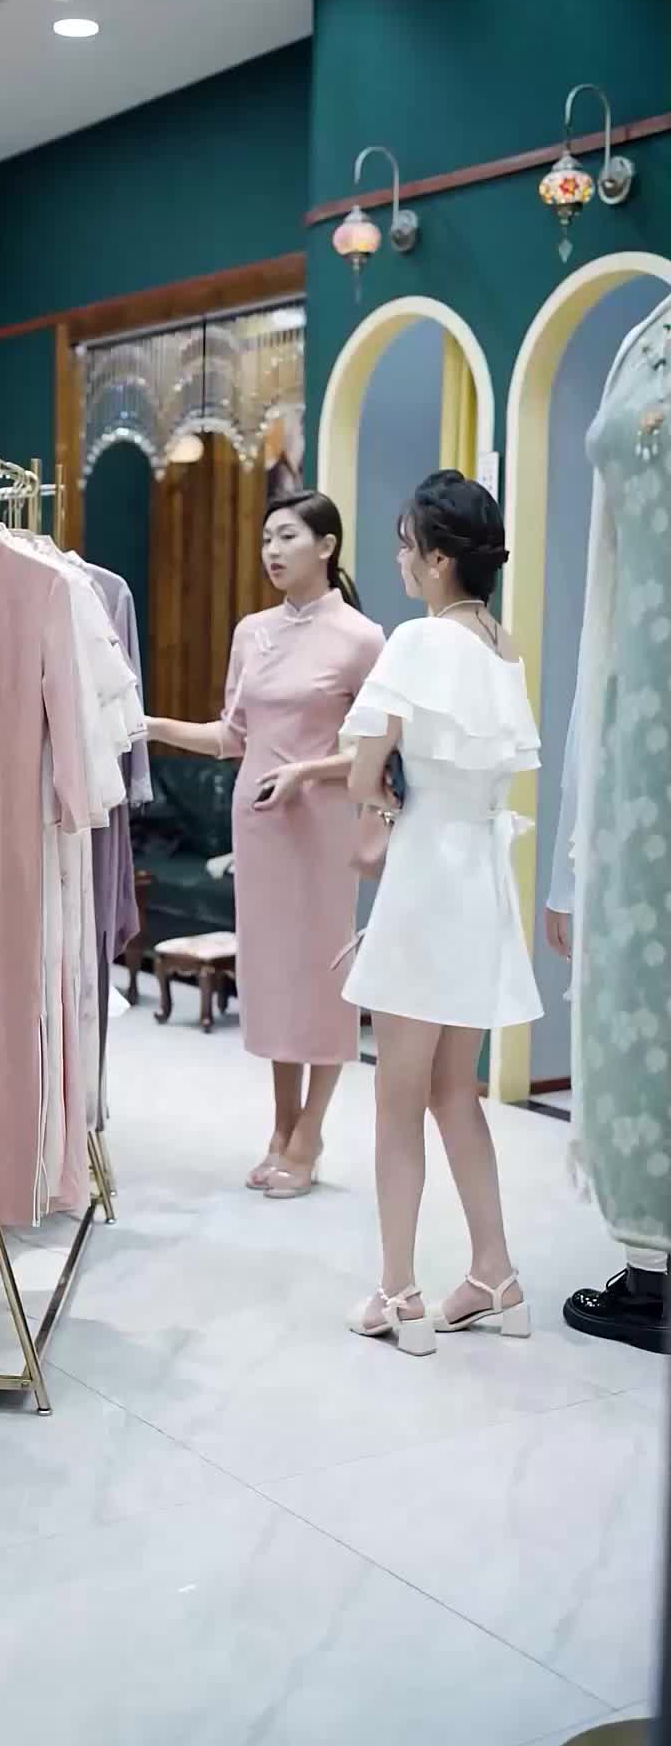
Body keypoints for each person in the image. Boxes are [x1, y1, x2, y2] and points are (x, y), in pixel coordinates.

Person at [340, 471, 543, 1355]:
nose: (399, 560)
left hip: (426, 878)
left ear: (436, 560)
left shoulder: (418, 642)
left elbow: (364, 773)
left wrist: (379, 804)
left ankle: (398, 1293)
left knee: (398, 1096)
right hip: (481, 884)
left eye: (406, 546)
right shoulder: (504, 650)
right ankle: (496, 1273)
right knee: (455, 1091)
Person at [147, 492, 384, 1195]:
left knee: (323, 975)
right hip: (259, 825)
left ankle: (310, 1133)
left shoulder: (363, 639)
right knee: (274, 974)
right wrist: (152, 726)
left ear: (327, 546)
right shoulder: (251, 632)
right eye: (266, 540)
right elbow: (233, 736)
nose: (272, 552)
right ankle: (280, 1127)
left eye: (287, 537)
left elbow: (379, 754)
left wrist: (307, 772)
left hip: (323, 825)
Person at [546, 687, 669, 1353]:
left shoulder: (626, 647)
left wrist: (566, 888)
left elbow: (587, 762)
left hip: (636, 878)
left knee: (639, 1067)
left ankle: (651, 1283)